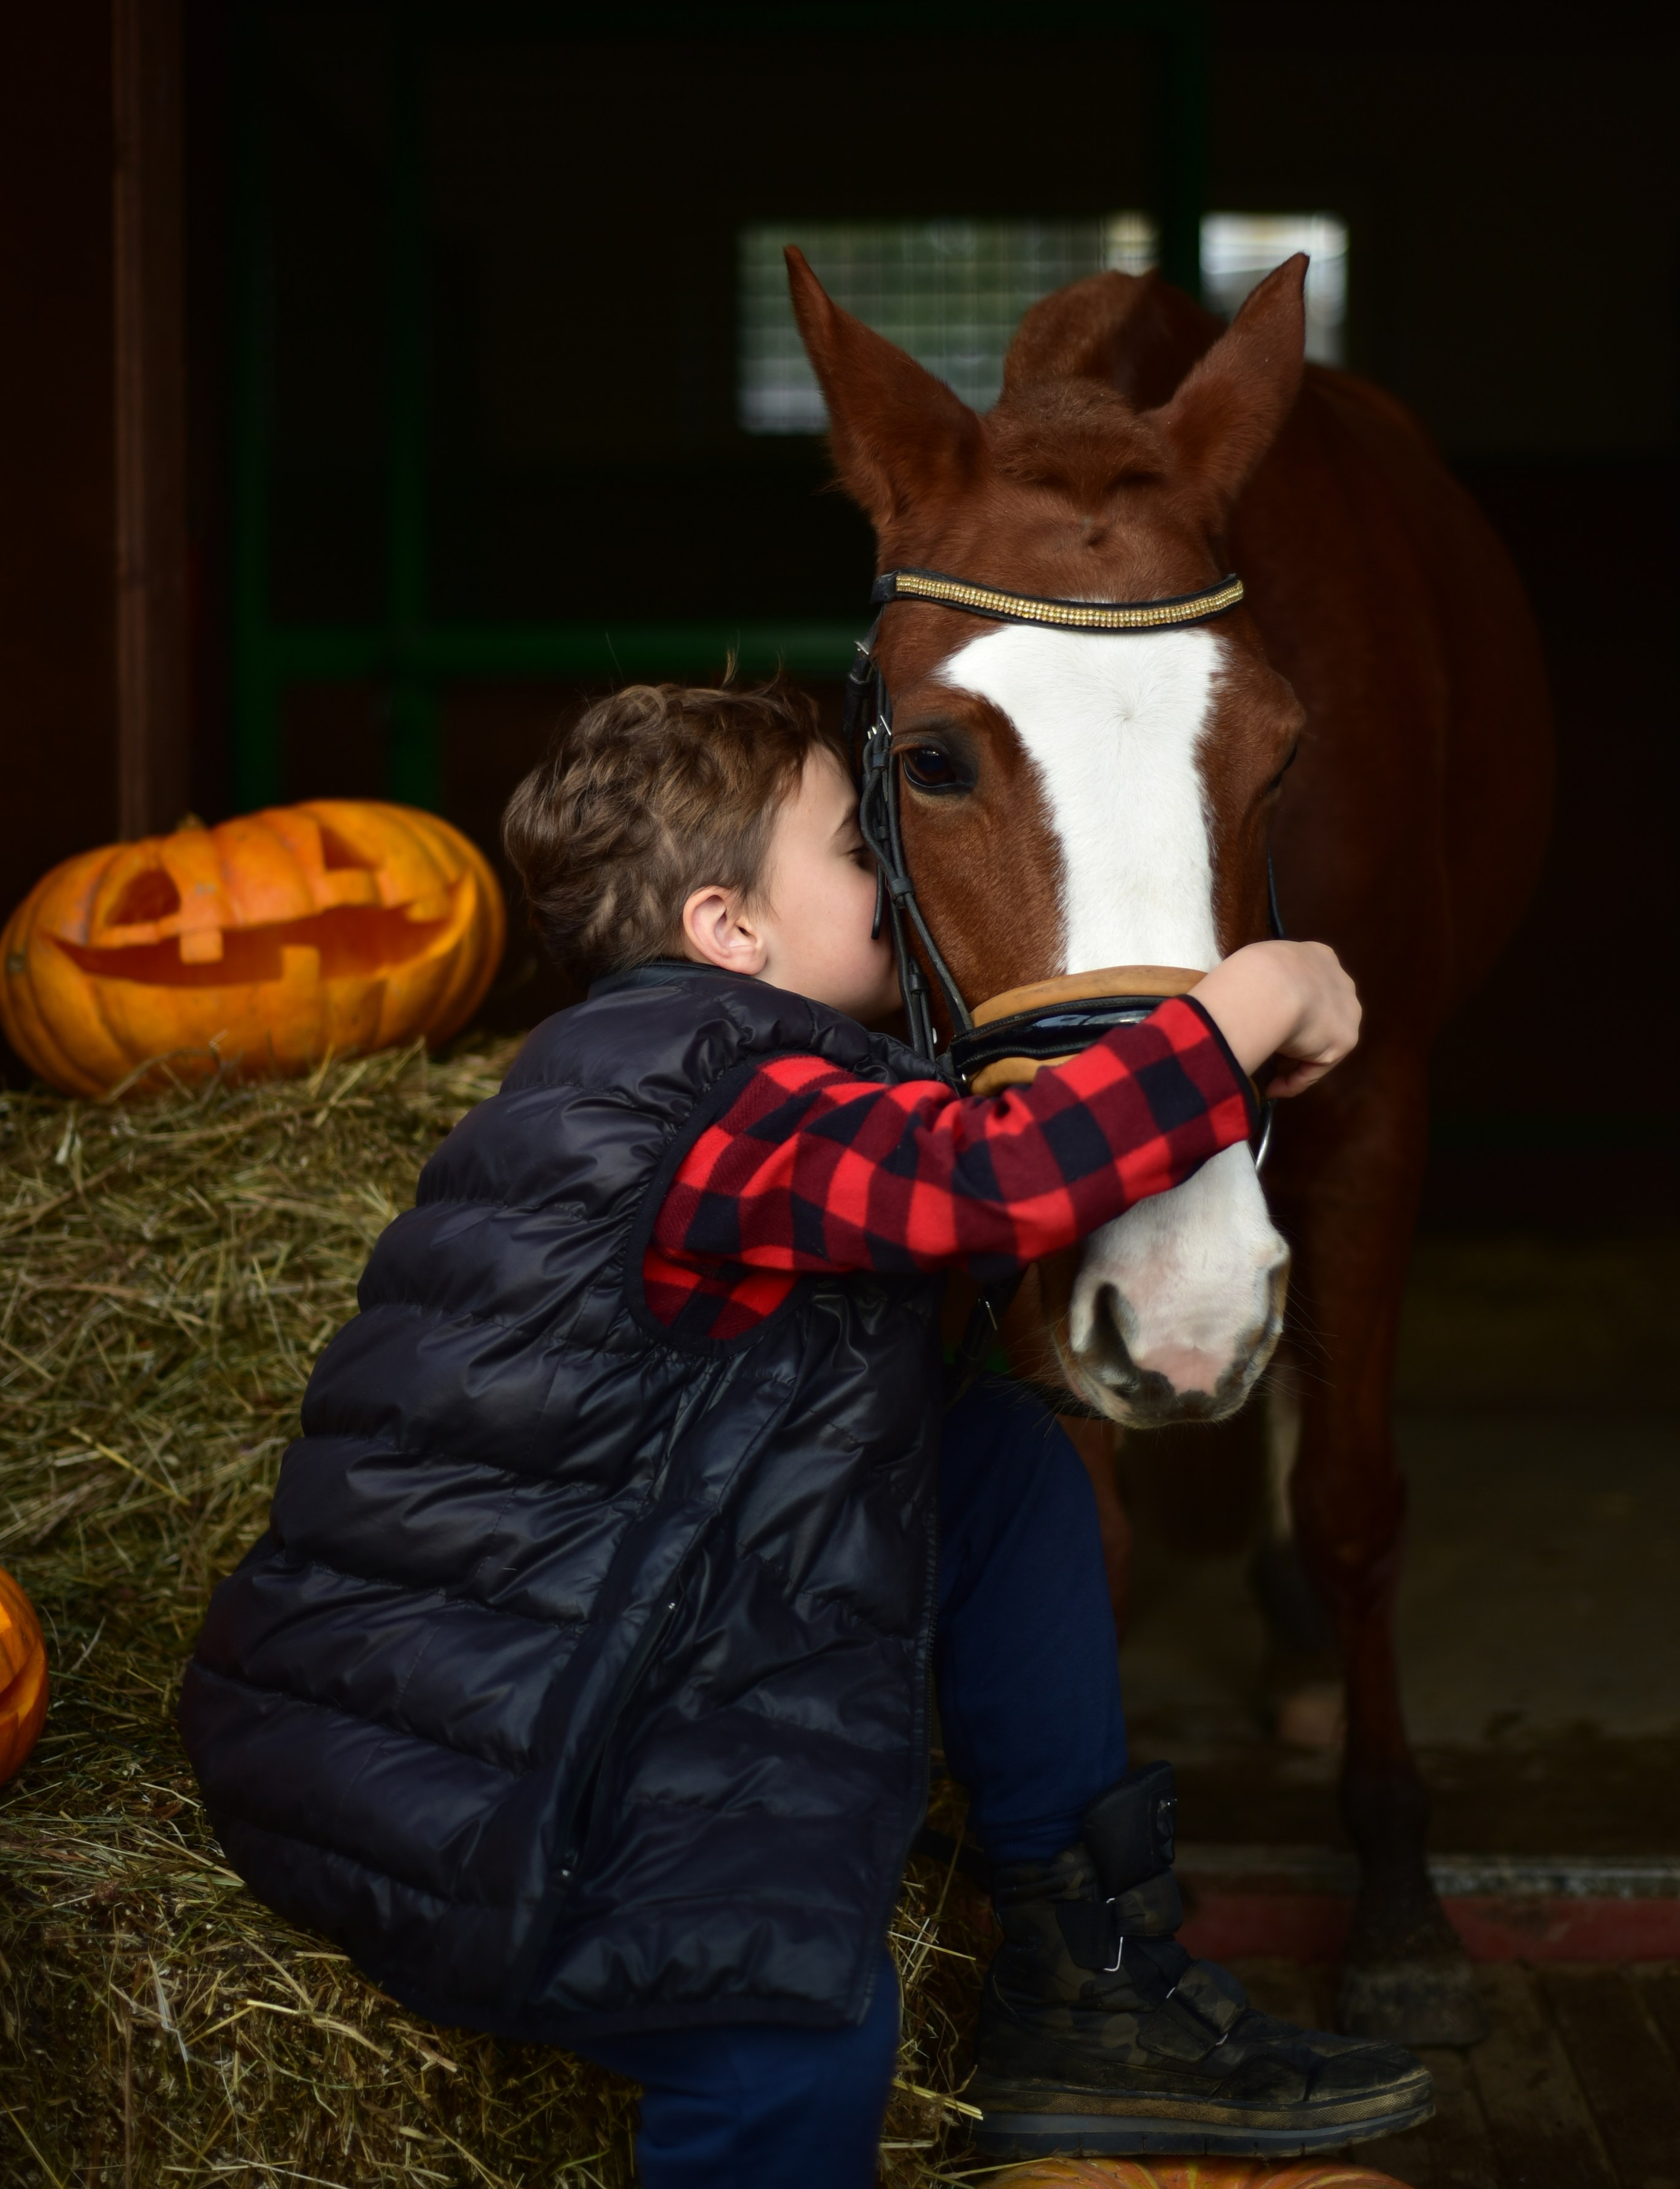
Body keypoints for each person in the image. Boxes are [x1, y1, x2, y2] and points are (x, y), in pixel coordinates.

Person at [181, 676, 1432, 2188]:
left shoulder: (676, 1080)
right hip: (505, 1785)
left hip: (517, 1678)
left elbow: (939, 1215)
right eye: (858, 847)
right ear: (729, 931)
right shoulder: (719, 1101)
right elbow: (992, 1187)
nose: (894, 879)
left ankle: (1081, 1955)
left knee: (990, 1458)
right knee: (787, 2015)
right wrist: (1241, 1003)